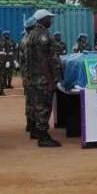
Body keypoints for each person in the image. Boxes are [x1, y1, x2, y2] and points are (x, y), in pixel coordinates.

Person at [24, 9, 62, 147]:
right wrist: (51, 81)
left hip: (35, 77)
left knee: (38, 105)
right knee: (44, 106)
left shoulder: (32, 34)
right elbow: (42, 60)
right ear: (41, 20)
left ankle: (39, 133)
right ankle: (43, 137)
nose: (50, 21)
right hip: (42, 78)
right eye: (48, 18)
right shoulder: (41, 35)